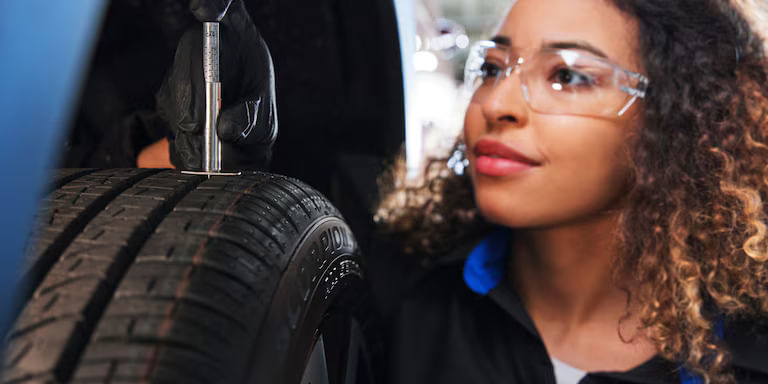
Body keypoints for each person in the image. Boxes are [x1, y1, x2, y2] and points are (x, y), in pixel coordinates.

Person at [373, 0, 768, 383]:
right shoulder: (393, 298)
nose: (496, 104)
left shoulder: (749, 354)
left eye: (568, 76)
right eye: (493, 68)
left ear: (675, 121)